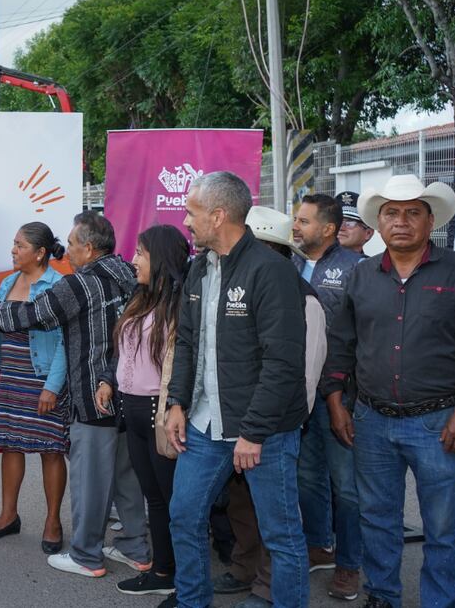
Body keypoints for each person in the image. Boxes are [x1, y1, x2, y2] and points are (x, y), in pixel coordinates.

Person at [322, 174, 455, 608]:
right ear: (378, 224)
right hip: (371, 422)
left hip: (438, 422)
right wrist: (336, 404)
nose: (402, 221)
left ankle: (441, 601)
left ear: (429, 220)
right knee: (377, 518)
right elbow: (341, 347)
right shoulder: (361, 277)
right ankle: (383, 595)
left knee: (441, 525)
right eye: (392, 213)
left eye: (413, 212)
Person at [0, 212, 150, 579]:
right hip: (128, 390)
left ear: (89, 248)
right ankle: (136, 549)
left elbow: (32, 315)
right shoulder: (127, 274)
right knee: (126, 477)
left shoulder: (78, 284)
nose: (68, 252)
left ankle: (86, 556)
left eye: (73, 245)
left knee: (89, 481)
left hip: (96, 395)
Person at [164, 172, 309, 608]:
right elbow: (187, 342)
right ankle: (192, 601)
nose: (186, 221)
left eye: (192, 212)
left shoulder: (271, 271)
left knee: (281, 537)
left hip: (264, 432)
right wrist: (177, 402)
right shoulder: (198, 268)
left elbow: (283, 364)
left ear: (219, 215)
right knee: (184, 516)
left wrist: (255, 432)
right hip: (207, 424)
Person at [211, 206, 328, 608]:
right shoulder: (228, 289)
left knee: (277, 515)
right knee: (242, 503)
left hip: (276, 427)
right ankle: (245, 566)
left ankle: (268, 585)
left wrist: (285, 425)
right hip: (236, 423)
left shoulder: (304, 299)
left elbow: (305, 375)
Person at [94, 224, 190, 598]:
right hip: (130, 409)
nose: (132, 261)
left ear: (161, 259)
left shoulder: (182, 302)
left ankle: (181, 580)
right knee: (154, 498)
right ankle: (163, 571)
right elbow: (121, 352)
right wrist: (108, 380)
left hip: (160, 412)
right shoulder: (141, 296)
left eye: (141, 254)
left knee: (172, 502)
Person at [0, 222, 70, 553]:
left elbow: (68, 343)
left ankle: (53, 522)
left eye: (19, 245)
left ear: (40, 253)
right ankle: (8, 516)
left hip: (43, 381)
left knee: (51, 450)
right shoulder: (8, 283)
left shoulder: (59, 286)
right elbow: (0, 327)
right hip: (11, 378)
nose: (13, 250)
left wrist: (52, 387)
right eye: (13, 244)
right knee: (11, 446)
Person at [291, 193, 365, 598]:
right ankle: (319, 544)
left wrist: (343, 399)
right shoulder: (290, 263)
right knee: (307, 477)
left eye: (303, 221)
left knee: (347, 485)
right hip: (297, 394)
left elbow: (361, 335)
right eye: (296, 220)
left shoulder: (357, 269)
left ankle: (350, 564)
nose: (296, 227)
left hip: (341, 397)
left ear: (328, 229)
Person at [335, 191, 374, 256]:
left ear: (368, 233)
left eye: (349, 223)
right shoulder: (315, 263)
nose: (341, 228)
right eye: (338, 221)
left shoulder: (373, 265)